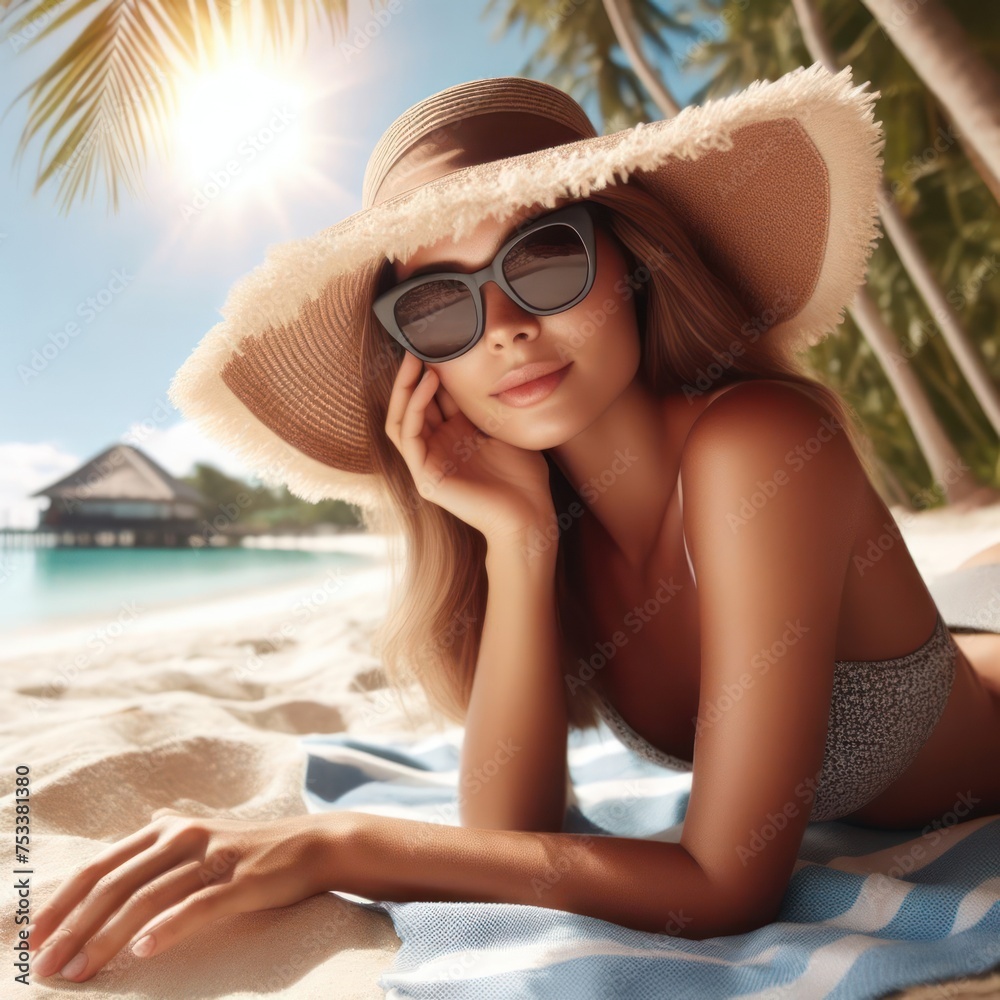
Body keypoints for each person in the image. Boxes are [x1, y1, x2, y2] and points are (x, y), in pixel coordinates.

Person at [27, 65, 1000, 984]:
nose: (502, 326)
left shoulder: (756, 443)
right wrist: (519, 547)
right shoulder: (553, 532)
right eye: (440, 303)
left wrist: (340, 844)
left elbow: (722, 887)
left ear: (632, 260)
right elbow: (511, 821)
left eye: (542, 257)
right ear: (417, 362)